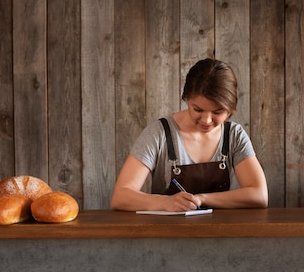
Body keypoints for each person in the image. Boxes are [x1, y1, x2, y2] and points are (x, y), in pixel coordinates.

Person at [111, 58, 268, 211]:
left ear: (230, 108)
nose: (206, 120)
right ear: (186, 99)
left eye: (217, 112)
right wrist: (165, 203)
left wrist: (201, 199)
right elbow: (121, 197)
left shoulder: (234, 135)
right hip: (166, 233)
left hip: (220, 233)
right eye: (198, 109)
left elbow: (259, 195)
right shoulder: (158, 133)